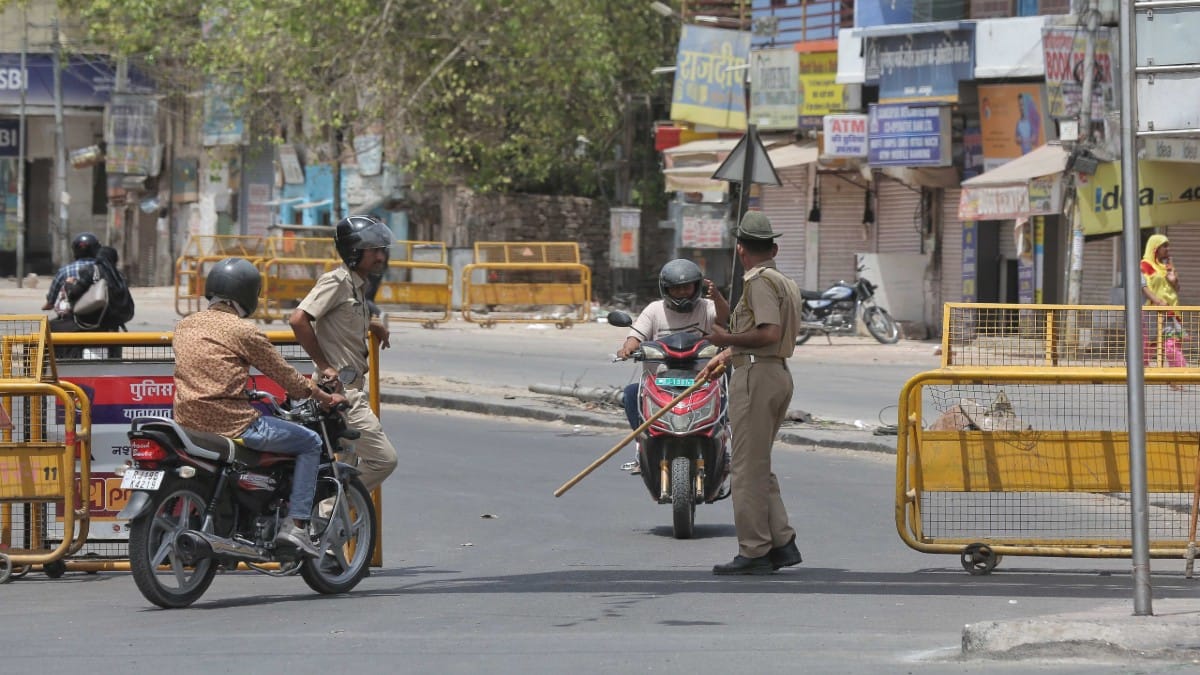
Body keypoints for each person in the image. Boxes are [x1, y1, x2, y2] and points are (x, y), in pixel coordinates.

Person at [173, 257, 346, 557]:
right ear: (247, 295)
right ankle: (297, 526)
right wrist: (324, 397)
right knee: (310, 442)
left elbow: (209, 369)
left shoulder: (185, 325)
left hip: (188, 424)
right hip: (232, 423)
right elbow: (285, 376)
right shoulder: (243, 331)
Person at [697, 211, 803, 575]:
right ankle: (781, 542)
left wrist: (725, 340)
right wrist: (729, 353)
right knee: (758, 464)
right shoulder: (783, 281)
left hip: (758, 376)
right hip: (772, 372)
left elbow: (768, 333)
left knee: (744, 468)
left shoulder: (758, 282)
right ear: (772, 248)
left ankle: (754, 550)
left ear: (741, 249)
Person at [289, 215, 398, 494]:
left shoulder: (357, 286)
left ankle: (325, 526)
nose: (380, 256)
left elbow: (347, 318)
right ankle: (328, 510)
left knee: (343, 467)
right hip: (341, 393)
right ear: (354, 252)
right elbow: (299, 319)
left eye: (380, 249)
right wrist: (324, 365)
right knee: (384, 460)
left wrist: (374, 324)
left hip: (353, 391)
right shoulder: (336, 281)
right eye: (373, 249)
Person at [615, 258, 728, 474]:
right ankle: (642, 446)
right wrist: (628, 348)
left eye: (687, 287)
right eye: (676, 289)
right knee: (630, 394)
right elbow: (636, 336)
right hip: (660, 384)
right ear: (666, 289)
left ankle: (724, 448)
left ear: (696, 287)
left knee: (726, 397)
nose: (682, 293)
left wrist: (719, 298)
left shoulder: (707, 307)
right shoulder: (654, 310)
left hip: (701, 381)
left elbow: (724, 318)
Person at [42, 233, 105, 358]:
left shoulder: (64, 271)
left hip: (72, 320)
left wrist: (49, 304)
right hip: (103, 319)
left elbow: (52, 298)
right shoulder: (105, 269)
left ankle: (38, 373)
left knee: (43, 333)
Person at [1141, 234, 1187, 378]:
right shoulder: (1145, 265)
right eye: (1164, 246)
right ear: (1155, 248)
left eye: (1168, 245)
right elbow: (1142, 286)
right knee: (1147, 345)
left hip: (1171, 312)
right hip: (1153, 311)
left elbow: (1177, 288)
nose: (1168, 249)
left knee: (1172, 344)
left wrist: (1174, 279)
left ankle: (1179, 376)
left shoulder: (1167, 265)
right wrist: (1157, 301)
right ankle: (1142, 375)